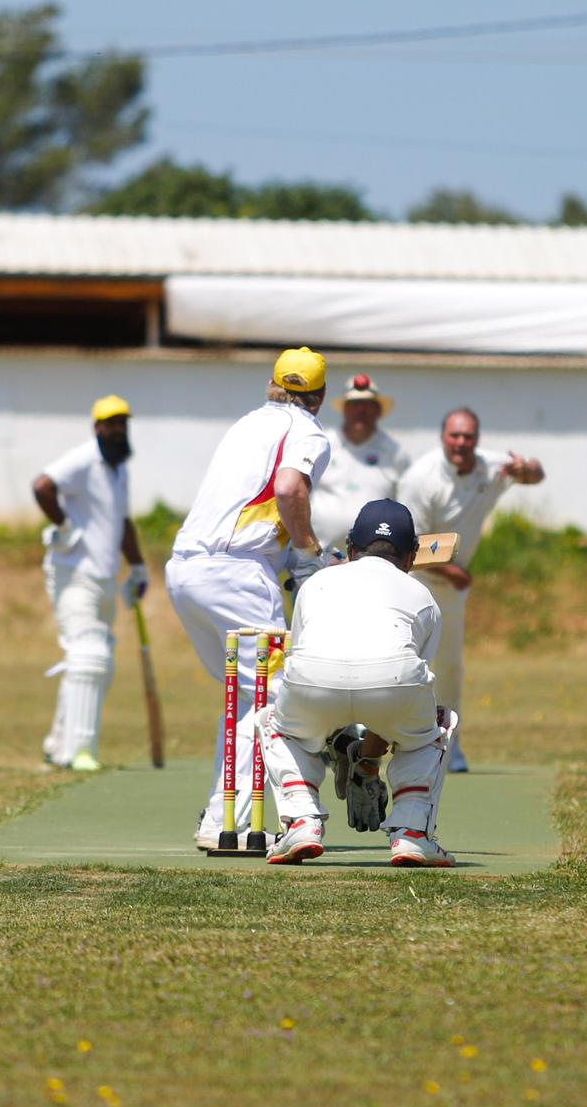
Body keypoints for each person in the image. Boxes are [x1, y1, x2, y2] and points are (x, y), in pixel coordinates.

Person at [164, 349, 332, 844]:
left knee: (243, 700)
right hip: (236, 575)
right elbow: (288, 487)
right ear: (319, 398)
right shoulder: (308, 430)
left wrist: (300, 557)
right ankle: (298, 818)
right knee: (278, 697)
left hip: (184, 570)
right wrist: (307, 550)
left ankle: (223, 820)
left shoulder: (245, 424)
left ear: (271, 384)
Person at [253, 499, 457, 867]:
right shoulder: (424, 598)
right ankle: (412, 833)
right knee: (433, 726)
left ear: (350, 549)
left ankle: (301, 820)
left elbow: (304, 660)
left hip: (313, 680)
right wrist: (367, 760)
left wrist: (350, 748)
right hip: (393, 684)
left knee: (275, 723)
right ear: (411, 557)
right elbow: (405, 694)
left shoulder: (315, 584)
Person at [397, 407, 545, 772]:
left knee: (449, 668)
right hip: (415, 581)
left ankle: (450, 747)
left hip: (451, 587)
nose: (461, 443)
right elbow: (409, 545)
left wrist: (529, 470)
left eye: (467, 437)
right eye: (454, 436)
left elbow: (536, 475)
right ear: (443, 437)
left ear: (476, 439)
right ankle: (396, 744)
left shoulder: (490, 466)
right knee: (407, 664)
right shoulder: (421, 479)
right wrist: (453, 571)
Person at [31, 395, 147, 771]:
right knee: (88, 657)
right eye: (110, 424)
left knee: (97, 664)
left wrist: (139, 567)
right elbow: (42, 486)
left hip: (105, 576)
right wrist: (64, 527)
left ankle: (56, 743)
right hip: (72, 573)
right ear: (96, 427)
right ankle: (77, 752)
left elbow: (123, 522)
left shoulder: (119, 469)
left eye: (122, 424)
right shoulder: (83, 458)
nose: (117, 430)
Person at [310, 373, 411, 558]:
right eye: (354, 404)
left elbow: (405, 505)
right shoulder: (323, 445)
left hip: (374, 558)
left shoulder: (395, 453)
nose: (360, 411)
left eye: (367, 405)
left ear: (379, 410)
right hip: (320, 556)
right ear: (344, 409)